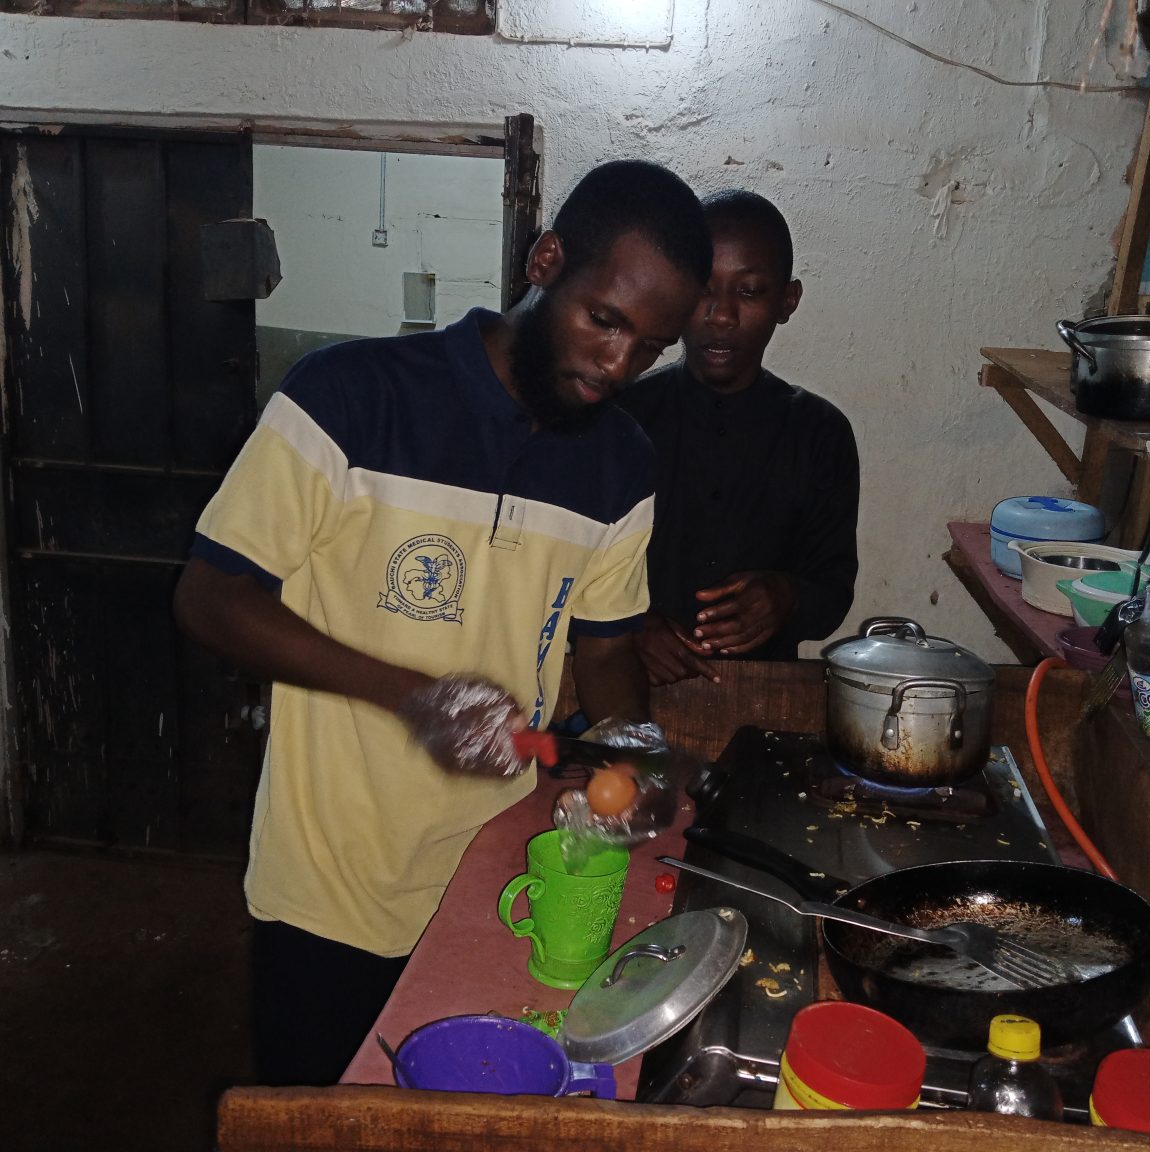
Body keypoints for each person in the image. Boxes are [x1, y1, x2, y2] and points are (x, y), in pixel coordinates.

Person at [172, 159, 712, 1086]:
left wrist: (633, 751)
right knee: (322, 1115)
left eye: (649, 347)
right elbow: (210, 599)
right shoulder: (349, 396)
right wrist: (414, 696)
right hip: (333, 881)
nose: (617, 365)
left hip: (504, 873)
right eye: (604, 320)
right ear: (547, 261)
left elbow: (609, 642)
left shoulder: (621, 462)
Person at [617, 190, 860, 686]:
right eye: (703, 288)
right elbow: (561, 567)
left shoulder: (820, 434)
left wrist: (787, 597)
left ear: (787, 302)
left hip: (764, 698)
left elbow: (833, 592)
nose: (721, 315)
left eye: (749, 291)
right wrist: (624, 625)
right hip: (625, 688)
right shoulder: (621, 417)